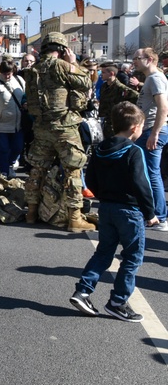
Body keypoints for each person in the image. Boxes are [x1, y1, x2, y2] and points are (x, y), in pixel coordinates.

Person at [69, 102, 158, 322]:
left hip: (107, 208)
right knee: (132, 257)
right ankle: (118, 302)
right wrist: (150, 213)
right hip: (130, 210)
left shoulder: (101, 148)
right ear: (135, 127)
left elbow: (90, 177)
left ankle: (83, 291)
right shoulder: (134, 151)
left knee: (104, 252)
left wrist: (102, 195)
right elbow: (142, 184)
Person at [24, 32, 95, 232]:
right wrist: (74, 63)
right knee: (73, 169)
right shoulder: (62, 65)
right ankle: (74, 218)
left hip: (41, 128)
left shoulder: (33, 70)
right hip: (64, 128)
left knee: (38, 169)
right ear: (63, 49)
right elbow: (86, 82)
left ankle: (31, 211)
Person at [131, 47, 168, 230]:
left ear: (150, 59)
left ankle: (160, 217)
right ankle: (153, 214)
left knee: (152, 174)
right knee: (147, 173)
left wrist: (154, 133)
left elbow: (163, 108)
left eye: (137, 58)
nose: (134, 61)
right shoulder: (152, 79)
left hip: (152, 131)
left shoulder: (155, 79)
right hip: (148, 130)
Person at [0, 61, 26, 178]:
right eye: (5, 74)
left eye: (9, 73)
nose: (7, 76)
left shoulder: (19, 81)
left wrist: (25, 103)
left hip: (18, 123)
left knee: (18, 147)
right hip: (1, 124)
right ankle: (4, 171)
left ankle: (11, 164)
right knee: (2, 149)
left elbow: (25, 96)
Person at [98, 62, 139, 140]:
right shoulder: (104, 86)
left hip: (115, 124)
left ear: (111, 73)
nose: (101, 74)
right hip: (105, 121)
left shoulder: (120, 88)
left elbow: (137, 97)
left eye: (103, 72)